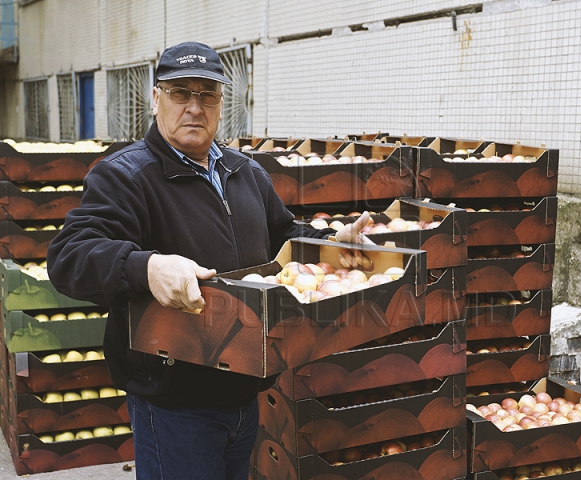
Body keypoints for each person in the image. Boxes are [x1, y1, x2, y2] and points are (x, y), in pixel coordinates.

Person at [47, 41, 372, 480]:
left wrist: (333, 242)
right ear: (157, 97)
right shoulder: (126, 177)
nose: (195, 108)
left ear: (222, 103)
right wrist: (147, 266)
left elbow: (284, 236)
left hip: (245, 392)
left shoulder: (246, 172)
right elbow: (68, 255)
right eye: (181, 93)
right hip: (176, 405)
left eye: (208, 94)